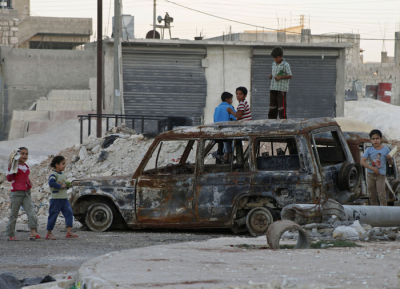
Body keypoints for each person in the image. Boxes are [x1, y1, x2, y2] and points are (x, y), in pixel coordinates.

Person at [5, 147, 41, 241]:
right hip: (16, 193)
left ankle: (33, 232)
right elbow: (9, 179)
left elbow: (25, 177)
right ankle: (10, 234)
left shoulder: (26, 166)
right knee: (14, 214)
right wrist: (10, 168)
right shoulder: (14, 166)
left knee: (31, 211)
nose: (25, 155)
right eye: (22, 153)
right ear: (17, 155)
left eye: (26, 154)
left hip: (26, 192)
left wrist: (29, 183)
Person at [45, 156, 78, 240]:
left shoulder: (62, 174)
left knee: (69, 213)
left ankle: (69, 231)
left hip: (64, 198)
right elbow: (51, 183)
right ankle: (49, 233)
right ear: (57, 165)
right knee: (53, 215)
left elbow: (63, 185)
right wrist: (60, 186)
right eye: (63, 164)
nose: (64, 165)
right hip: (56, 199)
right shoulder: (54, 174)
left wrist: (67, 185)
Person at [360, 129, 392, 206]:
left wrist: (389, 158)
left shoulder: (386, 149)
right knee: (372, 196)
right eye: (373, 139)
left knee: (381, 196)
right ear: (371, 140)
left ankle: (384, 215)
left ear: (381, 139)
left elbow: (390, 164)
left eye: (377, 138)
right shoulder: (369, 149)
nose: (375, 140)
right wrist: (372, 168)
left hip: (380, 176)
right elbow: (362, 162)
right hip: (370, 175)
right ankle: (376, 215)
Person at [268, 46, 292, 119]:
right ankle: (271, 121)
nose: (275, 59)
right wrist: (271, 75)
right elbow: (274, 72)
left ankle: (283, 121)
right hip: (273, 87)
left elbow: (290, 75)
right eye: (274, 58)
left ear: (281, 56)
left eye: (277, 57)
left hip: (281, 89)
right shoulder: (273, 64)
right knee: (272, 105)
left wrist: (280, 77)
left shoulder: (285, 65)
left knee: (281, 106)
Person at [213, 92, 236, 163]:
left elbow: (215, 120)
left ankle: (219, 164)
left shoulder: (217, 108)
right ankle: (228, 160)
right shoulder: (230, 108)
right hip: (228, 132)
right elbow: (234, 119)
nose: (232, 101)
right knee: (229, 148)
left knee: (220, 148)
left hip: (219, 132)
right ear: (227, 99)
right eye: (231, 99)